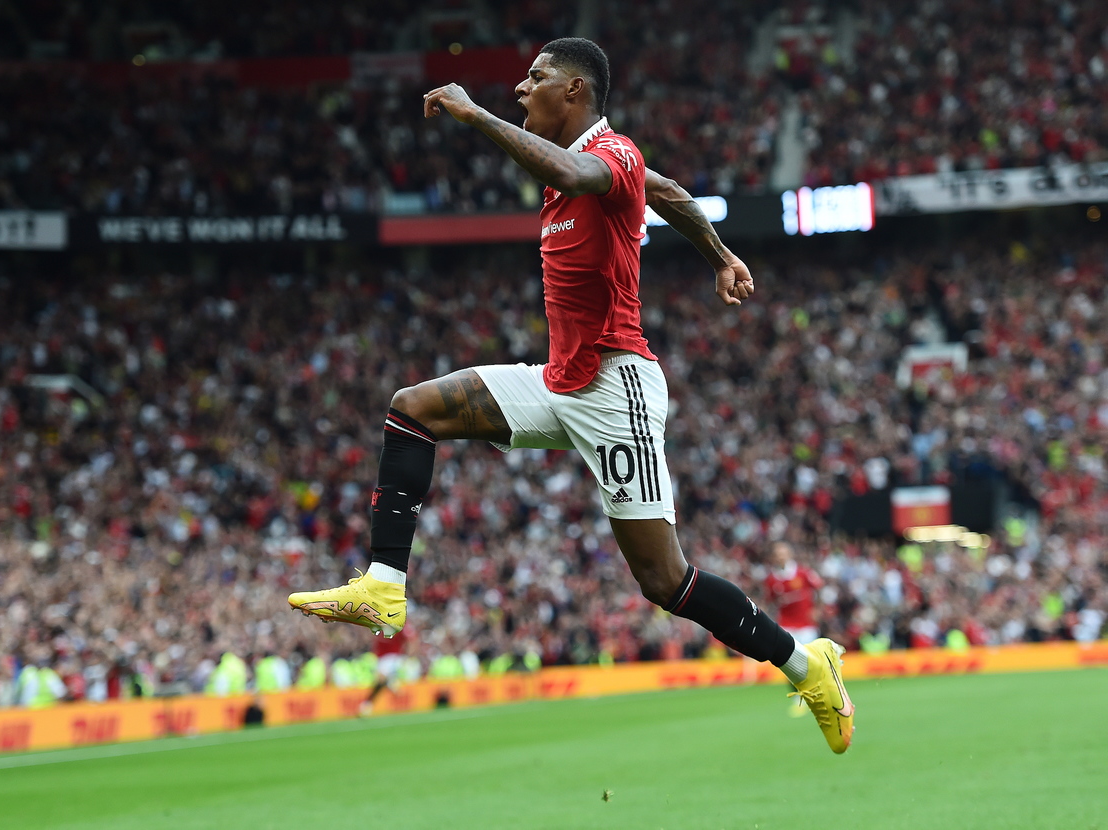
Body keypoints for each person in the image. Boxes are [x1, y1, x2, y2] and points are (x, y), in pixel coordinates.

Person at [289, 37, 854, 753]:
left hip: (617, 389)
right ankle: (382, 584)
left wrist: (475, 114)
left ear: (575, 91)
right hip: (562, 380)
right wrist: (720, 256)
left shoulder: (608, 155)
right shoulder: (593, 168)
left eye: (536, 78)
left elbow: (579, 172)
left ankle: (806, 665)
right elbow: (672, 196)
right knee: (413, 408)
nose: (521, 89)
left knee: (665, 581)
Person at [764, 540, 825, 717]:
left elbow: (819, 588)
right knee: (788, 663)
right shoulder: (771, 580)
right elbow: (770, 601)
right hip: (786, 625)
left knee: (811, 662)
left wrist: (817, 609)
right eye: (777, 554)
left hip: (806, 624)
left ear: (789, 554)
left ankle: (818, 695)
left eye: (783, 553)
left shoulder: (803, 573)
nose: (780, 556)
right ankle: (798, 699)